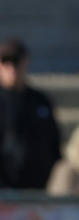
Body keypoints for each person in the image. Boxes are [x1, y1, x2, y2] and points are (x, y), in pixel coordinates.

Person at [0, 38, 61, 190]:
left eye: (16, 61)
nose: (11, 68)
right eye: (6, 62)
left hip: (39, 189)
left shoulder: (40, 100)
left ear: (25, 62)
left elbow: (54, 141)